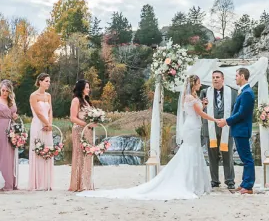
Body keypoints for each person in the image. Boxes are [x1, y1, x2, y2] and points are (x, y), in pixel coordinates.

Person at [80, 75, 216, 200]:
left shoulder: (193, 96)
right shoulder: (190, 98)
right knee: (189, 152)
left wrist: (203, 105)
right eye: (198, 83)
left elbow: (198, 111)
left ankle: (195, 183)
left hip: (194, 126)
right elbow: (200, 114)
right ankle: (189, 183)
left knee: (194, 152)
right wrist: (215, 120)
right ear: (194, 84)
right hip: (191, 127)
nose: (200, 85)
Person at [217, 68, 256, 194]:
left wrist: (226, 121)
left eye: (237, 75)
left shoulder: (247, 93)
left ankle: (248, 186)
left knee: (247, 159)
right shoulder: (243, 91)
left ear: (243, 76)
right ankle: (244, 183)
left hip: (242, 130)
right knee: (245, 159)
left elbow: (241, 114)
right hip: (239, 130)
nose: (235, 78)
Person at [201, 70, 236, 190]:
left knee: (228, 155)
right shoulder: (205, 92)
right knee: (212, 156)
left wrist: (228, 121)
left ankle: (230, 180)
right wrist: (204, 105)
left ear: (223, 78)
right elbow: (201, 110)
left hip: (227, 127)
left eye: (217, 77)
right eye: (213, 77)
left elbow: (235, 110)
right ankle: (214, 180)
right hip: (210, 127)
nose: (215, 79)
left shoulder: (232, 92)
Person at [0, 79, 19, 191]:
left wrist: (14, 116)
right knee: (0, 155)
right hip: (0, 129)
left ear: (10, 91)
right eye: (3, 90)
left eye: (7, 91)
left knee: (9, 155)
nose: (4, 93)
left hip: (10, 129)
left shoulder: (12, 101)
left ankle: (8, 182)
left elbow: (13, 114)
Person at [68, 80, 97, 192]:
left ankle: (87, 183)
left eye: (89, 87)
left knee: (88, 155)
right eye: (86, 87)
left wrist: (95, 122)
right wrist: (86, 124)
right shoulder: (76, 100)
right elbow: (73, 117)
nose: (88, 89)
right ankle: (78, 184)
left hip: (88, 131)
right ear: (81, 88)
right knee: (79, 155)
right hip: (79, 130)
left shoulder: (87, 101)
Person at [29, 73, 54, 191]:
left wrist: (50, 124)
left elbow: (50, 111)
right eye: (46, 81)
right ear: (40, 81)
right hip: (38, 125)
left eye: (49, 81)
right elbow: (38, 112)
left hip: (47, 126)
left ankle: (47, 182)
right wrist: (46, 123)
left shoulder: (48, 96)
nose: (48, 83)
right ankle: (38, 182)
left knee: (48, 149)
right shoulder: (34, 96)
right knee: (38, 150)